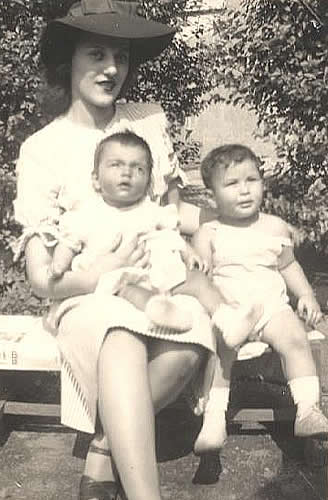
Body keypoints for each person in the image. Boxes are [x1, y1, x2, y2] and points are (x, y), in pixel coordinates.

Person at [13, 3, 221, 499]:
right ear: (70, 61)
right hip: (87, 293)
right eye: (97, 54)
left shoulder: (145, 121)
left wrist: (240, 224)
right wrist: (102, 271)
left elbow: (173, 212)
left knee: (194, 331)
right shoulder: (44, 148)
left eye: (121, 57)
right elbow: (42, 278)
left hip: (160, 285)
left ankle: (105, 444)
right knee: (121, 334)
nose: (111, 69)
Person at [49, 130, 262, 337]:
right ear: (96, 179)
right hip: (120, 277)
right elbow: (69, 242)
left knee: (198, 280)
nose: (127, 172)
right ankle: (162, 312)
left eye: (138, 168)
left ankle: (227, 319)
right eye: (116, 165)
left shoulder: (151, 210)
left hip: (161, 271)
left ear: (148, 181)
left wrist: (189, 252)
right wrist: (59, 262)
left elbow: (171, 234)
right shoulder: (86, 214)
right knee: (128, 290)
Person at [191, 143, 328, 455]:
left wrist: (306, 294)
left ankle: (307, 409)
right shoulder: (209, 232)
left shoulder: (274, 226)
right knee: (222, 348)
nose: (244, 191)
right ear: (212, 195)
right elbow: (201, 276)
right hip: (230, 310)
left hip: (271, 307)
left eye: (251, 180)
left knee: (294, 337)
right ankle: (214, 420)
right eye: (232, 183)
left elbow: (289, 265)